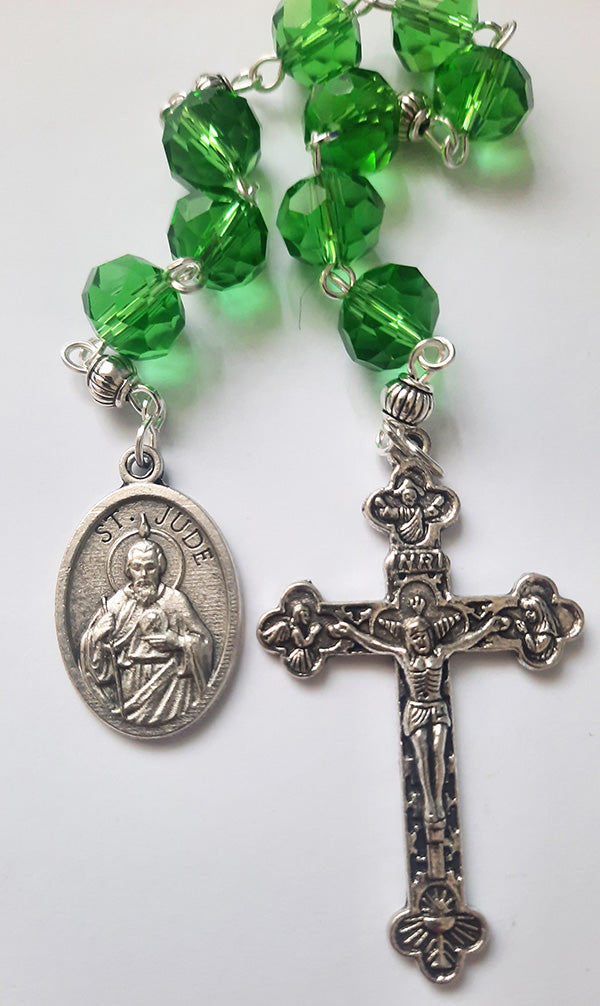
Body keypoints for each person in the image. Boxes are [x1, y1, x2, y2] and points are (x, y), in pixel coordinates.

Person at [330, 608, 508, 825]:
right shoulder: (404, 656)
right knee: (422, 756)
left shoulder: (440, 652)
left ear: (430, 635)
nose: (420, 640)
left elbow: (465, 641)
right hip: (416, 709)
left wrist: (488, 628)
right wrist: (351, 633)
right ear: (408, 640)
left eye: (423, 635)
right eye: (414, 637)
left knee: (439, 752)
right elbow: (376, 644)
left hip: (437, 707)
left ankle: (438, 802)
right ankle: (429, 804)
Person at [80, 534, 213, 726]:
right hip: (131, 683)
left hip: (172, 685)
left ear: (160, 569)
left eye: (150, 567)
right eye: (137, 567)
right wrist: (96, 636)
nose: (143, 574)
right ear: (128, 570)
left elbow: (204, 642)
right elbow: (90, 650)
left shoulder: (175, 600)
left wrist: (177, 641)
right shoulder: (117, 603)